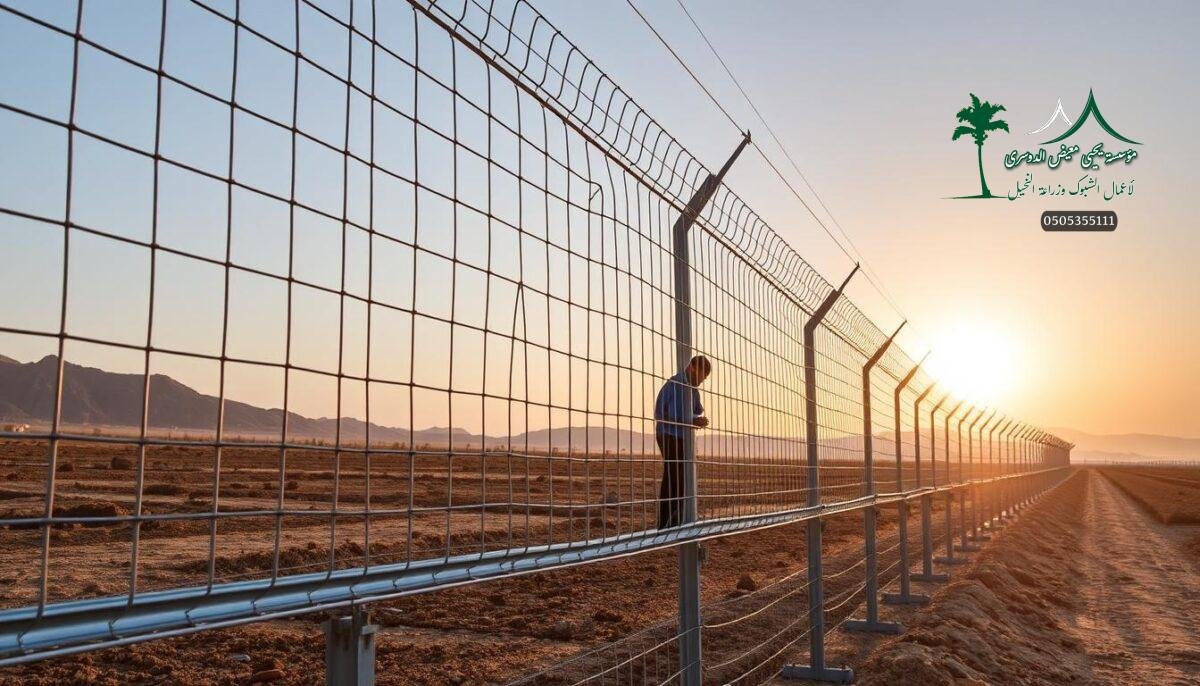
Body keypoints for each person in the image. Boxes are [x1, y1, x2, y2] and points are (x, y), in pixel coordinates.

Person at [653, 355, 711, 529]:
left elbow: (696, 411)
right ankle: (665, 523)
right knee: (672, 476)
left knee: (683, 477)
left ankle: (676, 520)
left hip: (683, 437)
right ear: (693, 367)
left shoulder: (693, 389)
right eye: (703, 375)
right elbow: (660, 414)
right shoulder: (674, 384)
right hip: (668, 434)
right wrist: (690, 421)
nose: (703, 380)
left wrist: (699, 419)